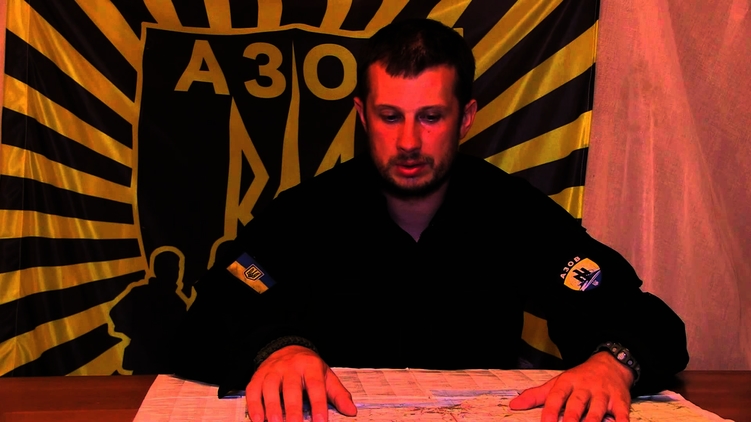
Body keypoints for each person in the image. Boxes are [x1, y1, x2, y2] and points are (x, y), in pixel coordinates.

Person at [174, 18, 688, 422]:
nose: (408, 142)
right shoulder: (308, 213)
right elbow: (208, 317)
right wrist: (277, 348)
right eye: (390, 116)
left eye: (430, 117)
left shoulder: (511, 212)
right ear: (362, 115)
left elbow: (647, 320)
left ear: (465, 117)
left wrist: (612, 363)